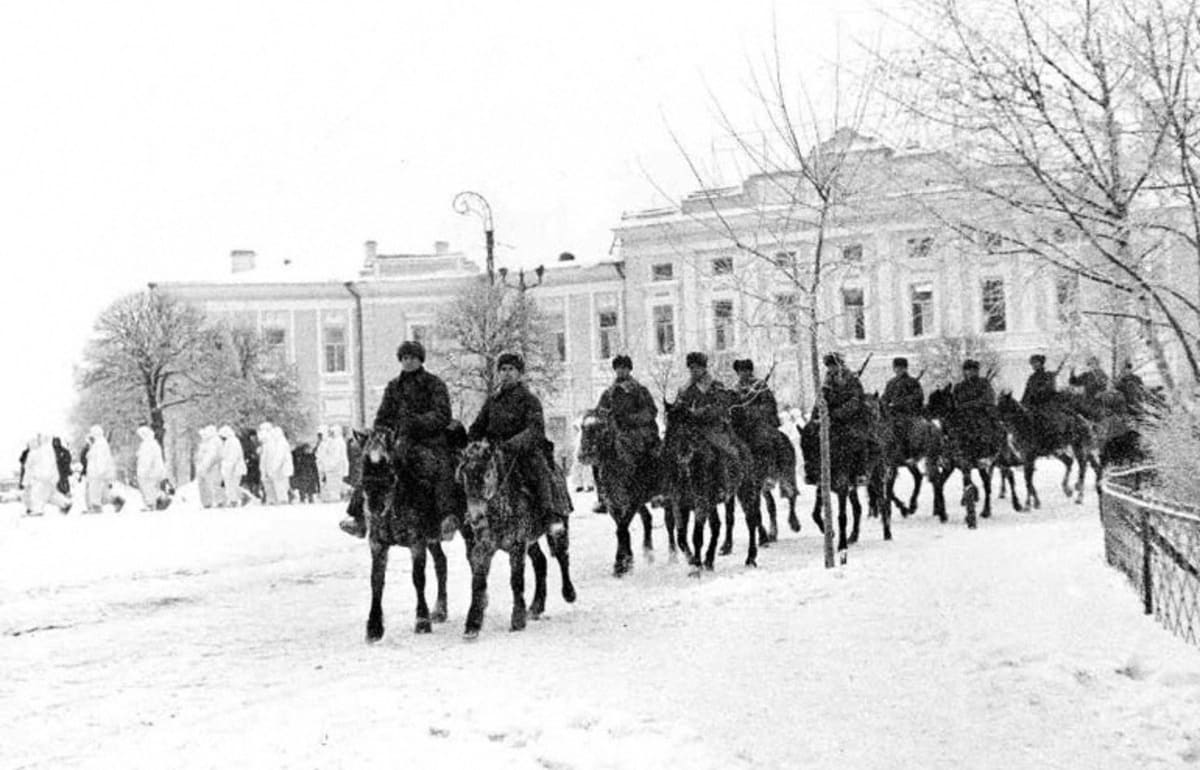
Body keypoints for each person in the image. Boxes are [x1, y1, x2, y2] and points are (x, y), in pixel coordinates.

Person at [341, 340, 460, 538]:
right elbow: (382, 417)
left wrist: (415, 422)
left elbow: (442, 415)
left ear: (420, 360)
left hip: (428, 440)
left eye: (412, 358)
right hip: (397, 440)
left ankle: (445, 517)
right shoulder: (394, 386)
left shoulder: (434, 384)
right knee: (372, 465)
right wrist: (380, 433)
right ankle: (358, 516)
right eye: (404, 358)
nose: (408, 362)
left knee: (439, 469)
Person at [467, 352, 570, 533]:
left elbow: (534, 430)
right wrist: (473, 441)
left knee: (539, 472)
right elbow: (478, 426)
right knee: (473, 473)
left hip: (524, 452)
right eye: (503, 369)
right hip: (495, 451)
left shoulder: (529, 400)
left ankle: (549, 515)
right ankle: (476, 515)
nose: (507, 373)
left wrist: (512, 444)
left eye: (511, 369)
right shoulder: (492, 401)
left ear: (519, 373)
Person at [594, 354, 660, 508]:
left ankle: (654, 490)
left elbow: (651, 411)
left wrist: (630, 419)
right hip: (615, 431)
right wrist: (601, 416)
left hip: (638, 431)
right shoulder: (608, 392)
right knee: (600, 455)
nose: (621, 371)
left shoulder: (639, 390)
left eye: (624, 368)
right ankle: (603, 496)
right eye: (618, 368)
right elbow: (600, 410)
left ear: (629, 370)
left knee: (648, 454)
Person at [673, 351, 741, 495]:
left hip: (712, 428)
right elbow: (679, 407)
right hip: (690, 429)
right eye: (691, 368)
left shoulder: (715, 385)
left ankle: (723, 484)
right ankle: (672, 488)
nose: (693, 371)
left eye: (697, 367)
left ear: (704, 368)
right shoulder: (684, 389)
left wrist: (703, 412)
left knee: (722, 451)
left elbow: (722, 406)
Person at [881, 356, 924, 455]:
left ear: (906, 369)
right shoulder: (891, 383)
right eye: (896, 368)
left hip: (909, 413)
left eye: (901, 368)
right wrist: (882, 403)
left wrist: (901, 403)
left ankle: (904, 450)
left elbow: (918, 397)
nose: (898, 370)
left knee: (901, 427)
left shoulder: (912, 382)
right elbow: (885, 397)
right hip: (893, 414)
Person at [83, 425, 115, 513]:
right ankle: (97, 507)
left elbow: (101, 459)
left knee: (96, 491)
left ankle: (97, 508)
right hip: (94, 472)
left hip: (97, 473)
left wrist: (100, 471)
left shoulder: (100, 444)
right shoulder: (98, 443)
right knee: (95, 491)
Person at [135, 426, 167, 511]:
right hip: (155, 472)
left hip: (150, 473)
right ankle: (155, 503)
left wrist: (142, 472)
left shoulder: (147, 445)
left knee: (148, 489)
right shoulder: (153, 443)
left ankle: (151, 505)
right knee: (152, 489)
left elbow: (146, 461)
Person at [317, 425, 349, 502]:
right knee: (331, 484)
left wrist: (329, 465)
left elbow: (336, 456)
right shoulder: (331, 442)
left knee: (335, 484)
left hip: (335, 467)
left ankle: (335, 497)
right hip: (331, 467)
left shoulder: (338, 442)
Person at [217, 425, 247, 507]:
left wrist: (228, 468)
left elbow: (232, 457)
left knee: (233, 485)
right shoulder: (229, 442)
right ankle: (235, 499)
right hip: (232, 468)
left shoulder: (232, 442)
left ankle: (236, 500)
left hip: (235, 468)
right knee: (230, 485)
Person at [194, 425, 222, 508]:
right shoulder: (207, 442)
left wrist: (204, 467)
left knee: (212, 486)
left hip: (211, 468)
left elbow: (211, 456)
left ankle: (214, 502)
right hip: (206, 468)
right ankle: (208, 503)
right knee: (206, 486)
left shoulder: (213, 441)